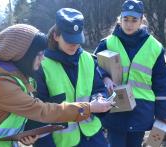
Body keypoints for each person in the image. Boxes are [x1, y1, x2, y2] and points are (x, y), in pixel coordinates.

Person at [0, 24, 113, 147]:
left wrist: (29, 132)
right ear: (24, 54)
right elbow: (41, 110)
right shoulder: (2, 83)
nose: (43, 59)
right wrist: (89, 108)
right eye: (39, 54)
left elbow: (20, 114)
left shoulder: (17, 77)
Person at [25, 8, 113, 147]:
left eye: (77, 40)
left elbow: (98, 88)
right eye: (69, 40)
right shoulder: (41, 64)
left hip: (93, 137)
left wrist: (99, 98)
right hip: (61, 142)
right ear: (56, 36)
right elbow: (39, 111)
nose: (74, 45)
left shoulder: (88, 59)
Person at [93, 0, 166, 147]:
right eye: (126, 19)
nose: (129, 24)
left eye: (134, 20)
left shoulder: (155, 47)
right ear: (120, 19)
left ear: (141, 20)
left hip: (141, 111)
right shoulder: (107, 43)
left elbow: (161, 83)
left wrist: (165, 114)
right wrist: (104, 77)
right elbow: (92, 67)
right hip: (114, 108)